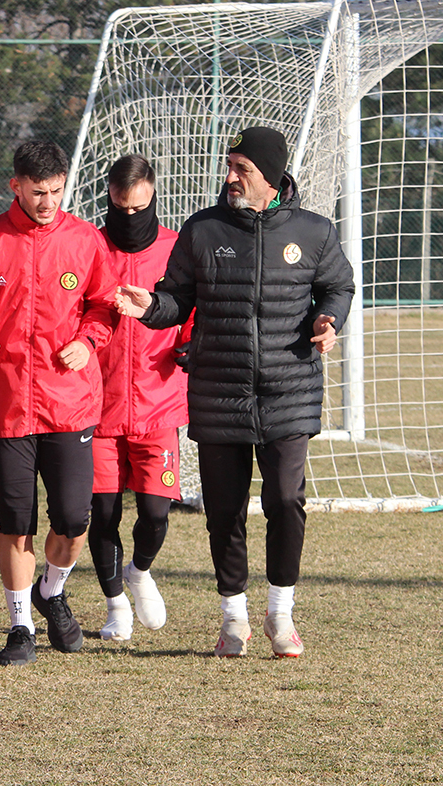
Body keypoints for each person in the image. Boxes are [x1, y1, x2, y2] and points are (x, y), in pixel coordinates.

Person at [115, 126, 354, 658]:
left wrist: (328, 320)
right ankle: (233, 619)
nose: (230, 177)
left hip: (289, 391)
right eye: (230, 166)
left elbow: (338, 285)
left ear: (270, 176)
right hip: (218, 389)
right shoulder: (203, 230)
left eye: (241, 169)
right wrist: (150, 307)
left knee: (286, 500)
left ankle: (280, 615)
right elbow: (176, 298)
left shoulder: (314, 232)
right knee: (223, 508)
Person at [0, 140, 118, 666]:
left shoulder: (84, 240)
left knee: (73, 518)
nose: (48, 202)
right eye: (38, 192)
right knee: (16, 520)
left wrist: (87, 341)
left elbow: (104, 308)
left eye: (57, 191)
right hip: (5, 403)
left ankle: (51, 591)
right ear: (15, 186)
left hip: (69, 405)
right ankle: (20, 626)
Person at [89, 154, 192, 643]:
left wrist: (193, 342)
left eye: (141, 207)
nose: (130, 217)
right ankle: (115, 607)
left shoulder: (176, 248)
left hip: (158, 404)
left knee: (154, 512)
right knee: (103, 513)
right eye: (120, 207)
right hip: (96, 405)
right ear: (108, 196)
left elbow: (194, 307)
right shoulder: (88, 246)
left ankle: (140, 571)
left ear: (154, 196)